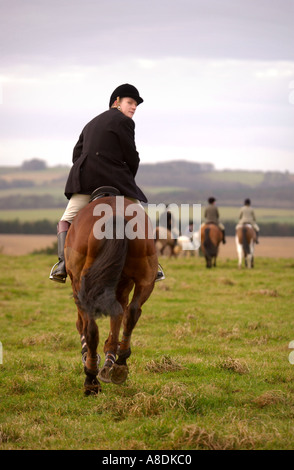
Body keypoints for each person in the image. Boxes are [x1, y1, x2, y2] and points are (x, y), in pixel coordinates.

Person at [49, 83, 165, 283]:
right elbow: (132, 156)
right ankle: (153, 265)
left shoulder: (90, 123)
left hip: (85, 182)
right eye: (130, 102)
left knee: (66, 220)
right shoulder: (125, 122)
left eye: (136, 105)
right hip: (116, 181)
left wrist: (87, 172)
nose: (134, 107)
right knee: (140, 218)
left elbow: (76, 154)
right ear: (116, 102)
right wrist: (128, 179)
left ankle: (61, 264)